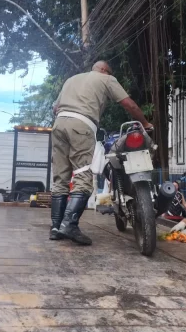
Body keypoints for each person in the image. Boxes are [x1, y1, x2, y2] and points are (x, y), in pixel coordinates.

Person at [50, 60, 153, 245]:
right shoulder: (106, 79)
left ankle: (56, 228)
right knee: (83, 177)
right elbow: (129, 105)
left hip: (59, 124)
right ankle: (69, 224)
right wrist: (145, 123)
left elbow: (55, 108)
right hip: (81, 125)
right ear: (105, 70)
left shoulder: (71, 80)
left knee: (61, 178)